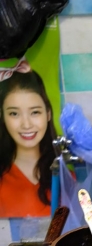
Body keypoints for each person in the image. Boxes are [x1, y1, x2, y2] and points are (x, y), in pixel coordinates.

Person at [0, 65, 56, 218]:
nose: (26, 124)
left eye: (35, 112)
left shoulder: (65, 177)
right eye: (14, 113)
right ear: (3, 118)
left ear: (48, 114)